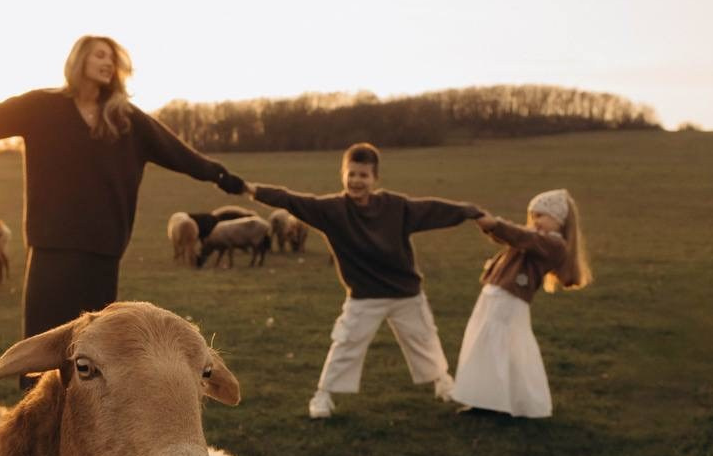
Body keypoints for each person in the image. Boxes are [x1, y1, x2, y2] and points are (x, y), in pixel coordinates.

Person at [0, 35, 247, 381]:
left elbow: (178, 152)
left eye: (112, 59)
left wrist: (221, 176)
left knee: (93, 353)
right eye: (99, 55)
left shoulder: (126, 119)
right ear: (79, 59)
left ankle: (86, 434)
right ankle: (35, 423)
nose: (107, 63)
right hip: (52, 245)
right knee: (41, 346)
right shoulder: (43, 107)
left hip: (102, 249)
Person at [247, 142, 486, 418]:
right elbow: (292, 200)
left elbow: (432, 209)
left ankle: (442, 382)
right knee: (346, 343)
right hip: (364, 296)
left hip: (406, 293)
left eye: (363, 175)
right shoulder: (332, 210)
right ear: (343, 175)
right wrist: (253, 190)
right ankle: (323, 396)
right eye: (351, 174)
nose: (356, 180)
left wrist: (470, 211)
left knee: (423, 338)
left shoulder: (395, 206)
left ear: (375, 178)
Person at [452, 188, 591, 418]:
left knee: (498, 348)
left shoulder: (553, 245)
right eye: (532, 216)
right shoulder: (536, 239)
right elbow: (512, 236)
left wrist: (494, 223)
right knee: (486, 347)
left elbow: (520, 236)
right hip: (495, 295)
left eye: (541, 216)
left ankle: (496, 401)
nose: (535, 222)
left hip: (508, 299)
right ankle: (485, 398)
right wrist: (487, 224)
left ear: (559, 220)